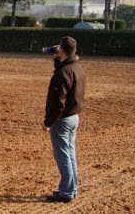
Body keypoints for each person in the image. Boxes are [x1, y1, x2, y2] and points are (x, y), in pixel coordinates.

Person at [42, 36, 86, 203]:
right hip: (74, 117)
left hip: (62, 120)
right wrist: (57, 60)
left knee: (62, 156)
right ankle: (71, 189)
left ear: (61, 50)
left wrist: (48, 122)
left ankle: (66, 192)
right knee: (70, 154)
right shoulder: (77, 67)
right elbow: (64, 74)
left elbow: (57, 102)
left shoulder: (63, 73)